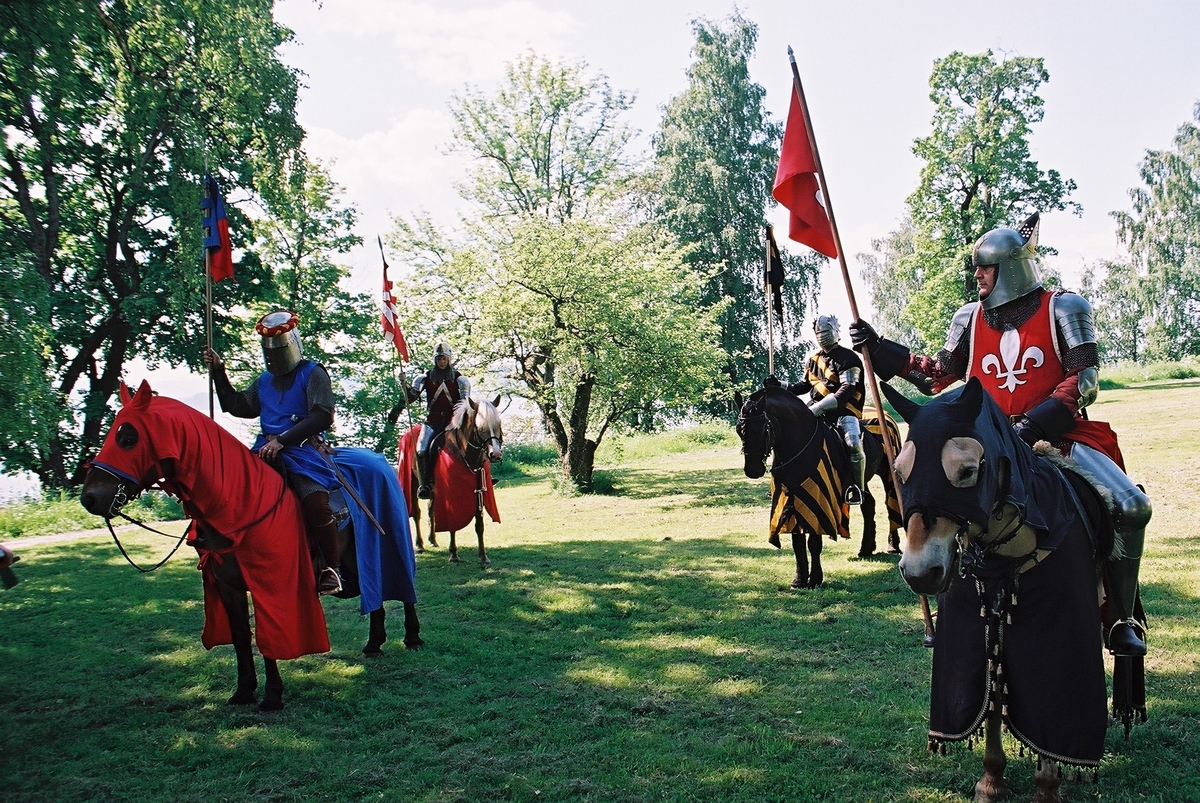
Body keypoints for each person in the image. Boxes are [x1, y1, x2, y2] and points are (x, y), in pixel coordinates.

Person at [849, 213, 1151, 656]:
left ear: (1009, 266)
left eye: (984, 268)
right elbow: (936, 378)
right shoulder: (968, 317)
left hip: (1058, 437)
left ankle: (1120, 619)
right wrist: (880, 350)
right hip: (984, 443)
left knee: (1130, 506)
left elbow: (1084, 378)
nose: (976, 276)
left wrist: (1034, 425)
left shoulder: (1064, 307)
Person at [203, 311, 344, 596]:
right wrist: (219, 371)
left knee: (315, 503)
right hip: (263, 451)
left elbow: (321, 416)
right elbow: (236, 406)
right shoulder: (264, 381)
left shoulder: (313, 372)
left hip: (303, 451)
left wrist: (282, 440)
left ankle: (331, 568)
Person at [788, 315, 867, 505]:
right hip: (815, 409)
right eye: (819, 332)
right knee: (788, 435)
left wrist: (818, 408)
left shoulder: (849, 357)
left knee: (852, 442)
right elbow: (803, 386)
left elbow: (847, 389)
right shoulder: (813, 359)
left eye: (825, 331)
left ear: (835, 332)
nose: (822, 336)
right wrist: (781, 385)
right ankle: (788, 480)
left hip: (844, 410)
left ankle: (858, 488)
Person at [406, 342, 472, 500]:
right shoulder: (425, 377)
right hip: (433, 420)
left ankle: (481, 477)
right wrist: (405, 385)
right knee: (421, 450)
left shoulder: (460, 379)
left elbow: (465, 404)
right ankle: (425, 485)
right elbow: (411, 398)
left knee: (476, 442)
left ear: (449, 359)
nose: (441, 362)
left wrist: (461, 421)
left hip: (453, 422)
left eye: (444, 358)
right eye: (439, 359)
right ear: (435, 360)